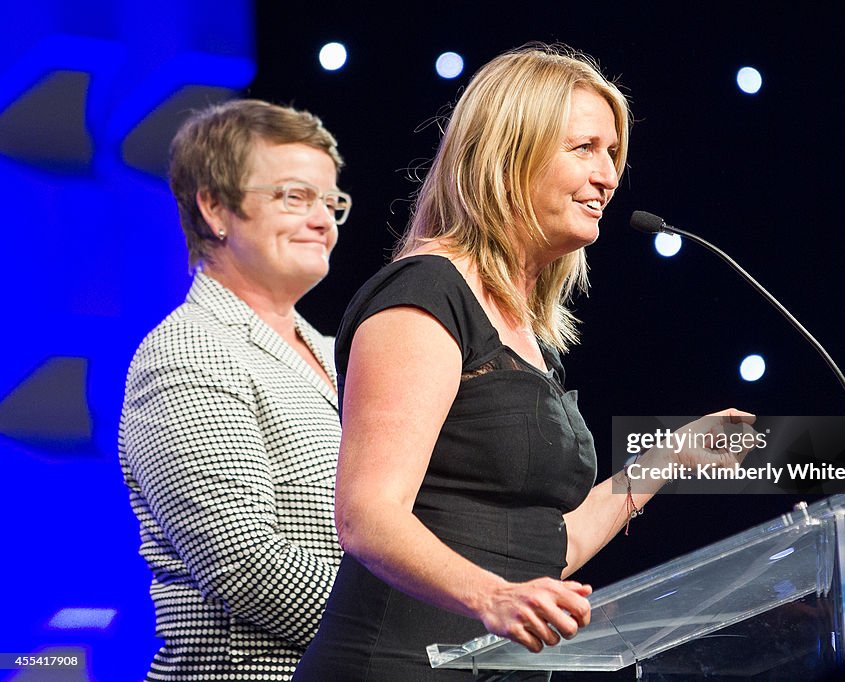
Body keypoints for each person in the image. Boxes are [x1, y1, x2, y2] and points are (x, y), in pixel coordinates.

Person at [294, 44, 751, 680]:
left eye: (613, 154)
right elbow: (367, 515)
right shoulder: (426, 295)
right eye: (585, 148)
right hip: (400, 663)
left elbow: (544, 548)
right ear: (512, 154)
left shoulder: (526, 330)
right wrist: (492, 596)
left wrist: (673, 459)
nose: (608, 176)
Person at [119, 99, 349, 681]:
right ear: (215, 207)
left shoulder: (332, 351)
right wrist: (439, 610)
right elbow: (247, 567)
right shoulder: (188, 350)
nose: (323, 220)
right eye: (295, 197)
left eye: (330, 201)